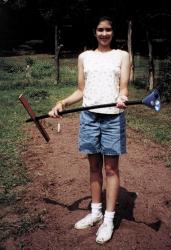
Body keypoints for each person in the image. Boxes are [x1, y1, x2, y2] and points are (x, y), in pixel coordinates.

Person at [49, 16, 130, 244]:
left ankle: (109, 219)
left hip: (113, 118)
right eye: (100, 30)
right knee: (94, 166)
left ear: (113, 32)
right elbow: (80, 90)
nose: (104, 34)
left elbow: (123, 88)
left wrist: (122, 98)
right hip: (89, 118)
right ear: (94, 32)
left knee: (111, 168)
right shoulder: (84, 57)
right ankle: (96, 212)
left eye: (108, 30)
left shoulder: (122, 56)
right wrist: (62, 103)